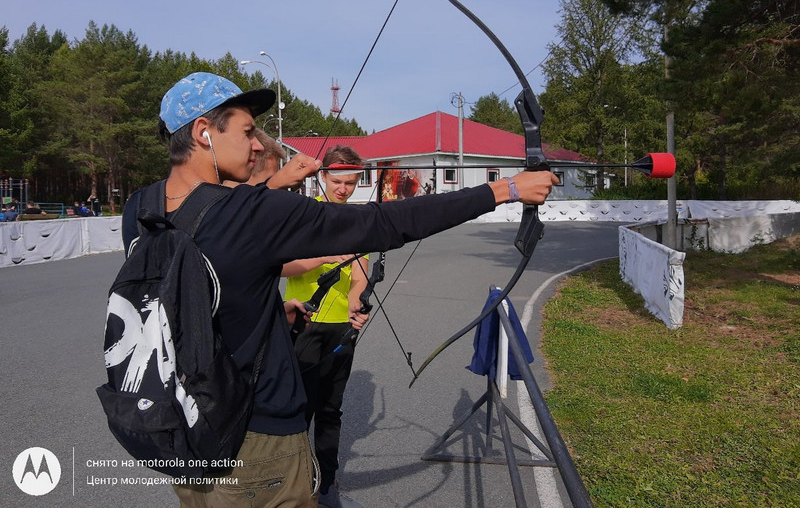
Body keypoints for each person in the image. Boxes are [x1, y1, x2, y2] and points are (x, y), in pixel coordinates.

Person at [120, 71, 558, 508]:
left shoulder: (140, 207)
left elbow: (195, 287)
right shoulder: (253, 214)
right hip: (256, 441)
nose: (257, 144)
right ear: (203, 133)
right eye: (248, 131)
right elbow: (383, 224)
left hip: (187, 424)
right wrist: (506, 188)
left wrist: (269, 310)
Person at [283, 145, 369, 507]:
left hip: (341, 328)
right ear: (322, 176)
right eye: (337, 181)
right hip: (304, 322)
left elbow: (361, 271)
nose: (343, 189)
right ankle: (295, 484)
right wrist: (322, 258)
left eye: (351, 183)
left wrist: (355, 299)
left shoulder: (358, 220)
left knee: (331, 410)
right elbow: (281, 265)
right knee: (299, 408)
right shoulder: (304, 215)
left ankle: (327, 482)